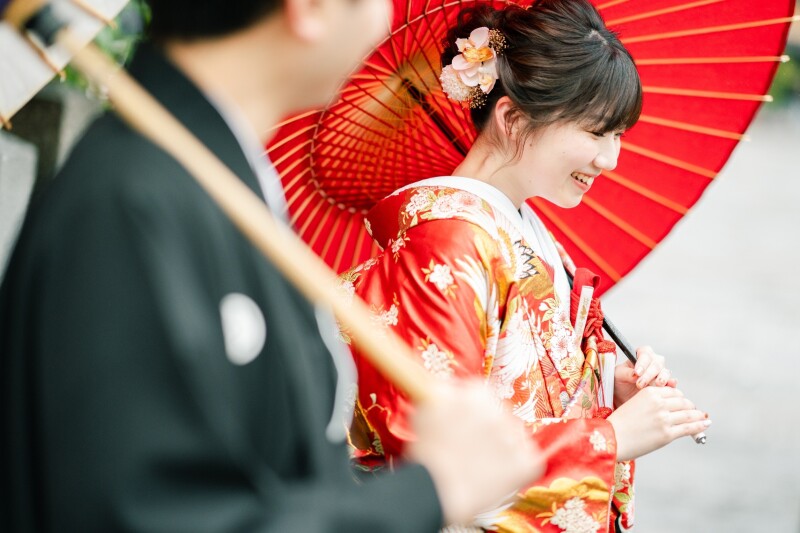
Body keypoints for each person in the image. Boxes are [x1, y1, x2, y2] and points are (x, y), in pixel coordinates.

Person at [0, 0, 543, 531]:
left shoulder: (213, 180)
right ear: (308, 8)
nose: (383, 19)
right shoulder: (127, 205)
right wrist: (430, 491)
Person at [343, 1, 712, 531]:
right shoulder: (444, 242)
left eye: (618, 136)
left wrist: (609, 384)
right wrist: (611, 439)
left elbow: (522, 382)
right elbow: (440, 465)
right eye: (595, 132)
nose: (610, 160)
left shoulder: (521, 227)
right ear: (514, 118)